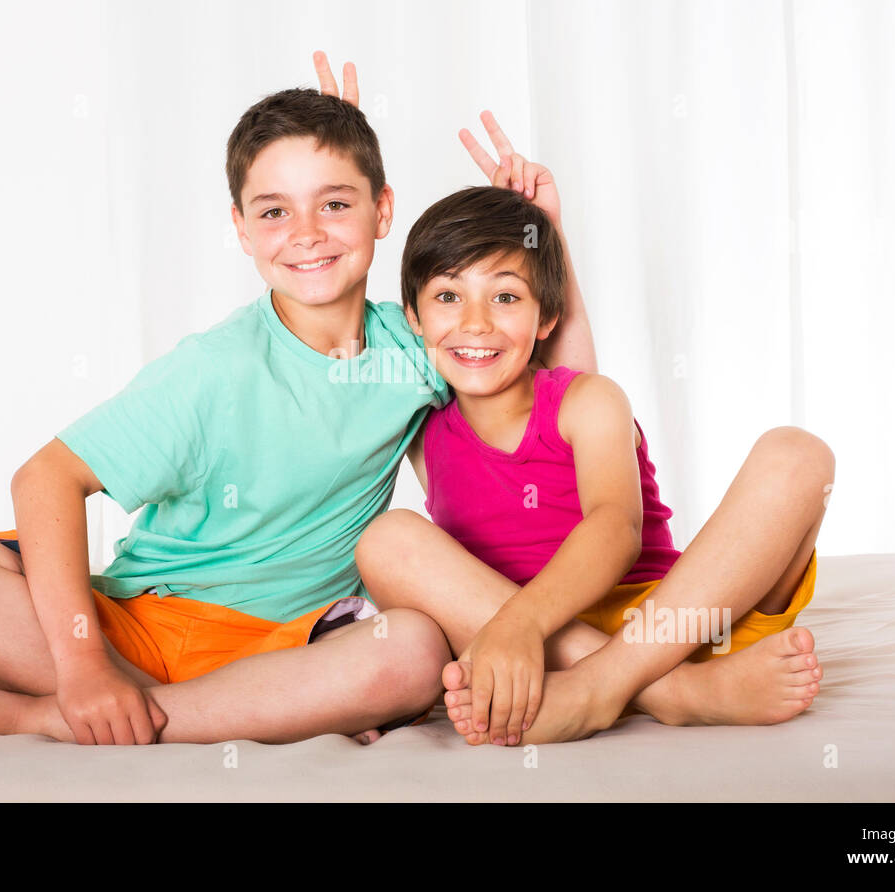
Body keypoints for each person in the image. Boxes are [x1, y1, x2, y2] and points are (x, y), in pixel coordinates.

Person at [0, 55, 598, 745]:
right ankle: (138, 705)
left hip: (289, 645)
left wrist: (547, 239)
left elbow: (565, 405)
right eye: (275, 212)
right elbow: (46, 478)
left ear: (383, 211)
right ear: (241, 229)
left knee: (410, 651)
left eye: (335, 204)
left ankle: (40, 720)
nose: (308, 234)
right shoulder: (212, 371)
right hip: (141, 625)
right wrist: (83, 664)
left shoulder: (416, 348)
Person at [355, 167, 834, 748]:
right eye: (448, 297)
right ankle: (674, 694)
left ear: (546, 319)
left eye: (505, 297)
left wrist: (520, 623)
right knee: (386, 539)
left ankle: (604, 686)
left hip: (671, 625)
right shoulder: (426, 432)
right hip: (542, 650)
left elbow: (617, 527)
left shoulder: (586, 401)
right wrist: (338, 203)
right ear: (413, 318)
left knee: (799, 454)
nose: (474, 322)